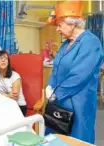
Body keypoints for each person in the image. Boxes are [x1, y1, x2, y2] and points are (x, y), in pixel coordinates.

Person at [45, 1, 103, 144]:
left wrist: (56, 93)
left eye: (59, 25)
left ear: (72, 24)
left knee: (77, 139)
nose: (57, 29)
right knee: (56, 137)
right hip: (58, 101)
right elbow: (56, 67)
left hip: (78, 103)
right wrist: (49, 85)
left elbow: (80, 75)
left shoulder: (91, 42)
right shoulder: (66, 44)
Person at [0, 51, 27, 116]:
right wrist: (6, 95)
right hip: (3, 105)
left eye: (6, 58)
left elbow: (13, 99)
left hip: (18, 107)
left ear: (8, 63)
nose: (3, 60)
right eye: (0, 58)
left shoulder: (15, 76)